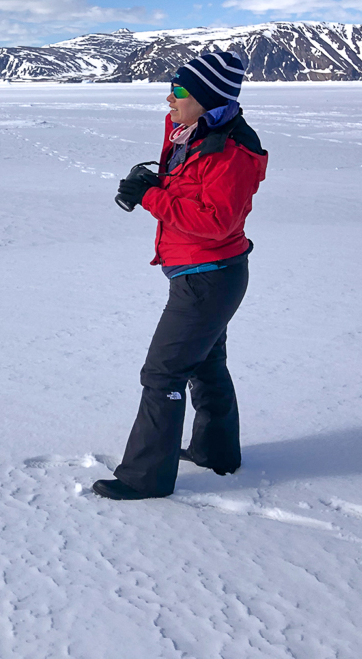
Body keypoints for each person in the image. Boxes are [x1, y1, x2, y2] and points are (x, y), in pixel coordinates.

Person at [93, 51, 268, 501]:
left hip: (209, 277)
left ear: (206, 100)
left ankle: (144, 478)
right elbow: (188, 187)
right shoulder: (192, 131)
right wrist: (152, 185)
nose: (168, 100)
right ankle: (216, 453)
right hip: (203, 272)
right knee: (205, 363)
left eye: (178, 92)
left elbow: (216, 222)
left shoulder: (230, 151)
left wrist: (152, 197)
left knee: (163, 374)